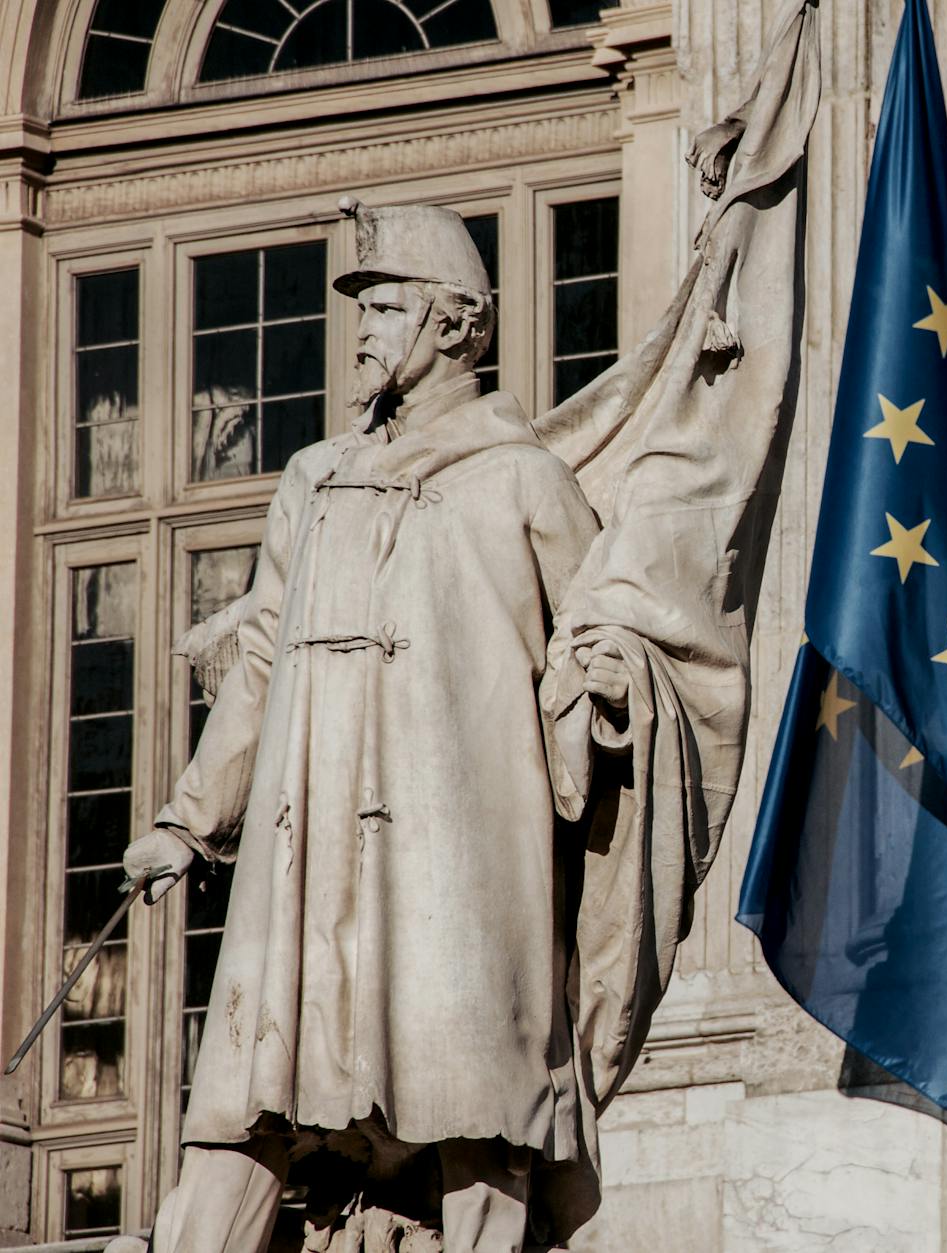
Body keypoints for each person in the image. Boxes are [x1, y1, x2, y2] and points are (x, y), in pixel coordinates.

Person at [114, 200, 630, 1253]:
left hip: (459, 852)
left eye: (385, 305)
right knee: (248, 1089)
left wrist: (608, 685)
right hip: (305, 854)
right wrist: (189, 817)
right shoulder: (313, 479)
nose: (359, 328)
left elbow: (603, 640)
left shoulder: (522, 477)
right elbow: (261, 658)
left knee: (474, 1101)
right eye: (360, 307)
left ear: (455, 325)